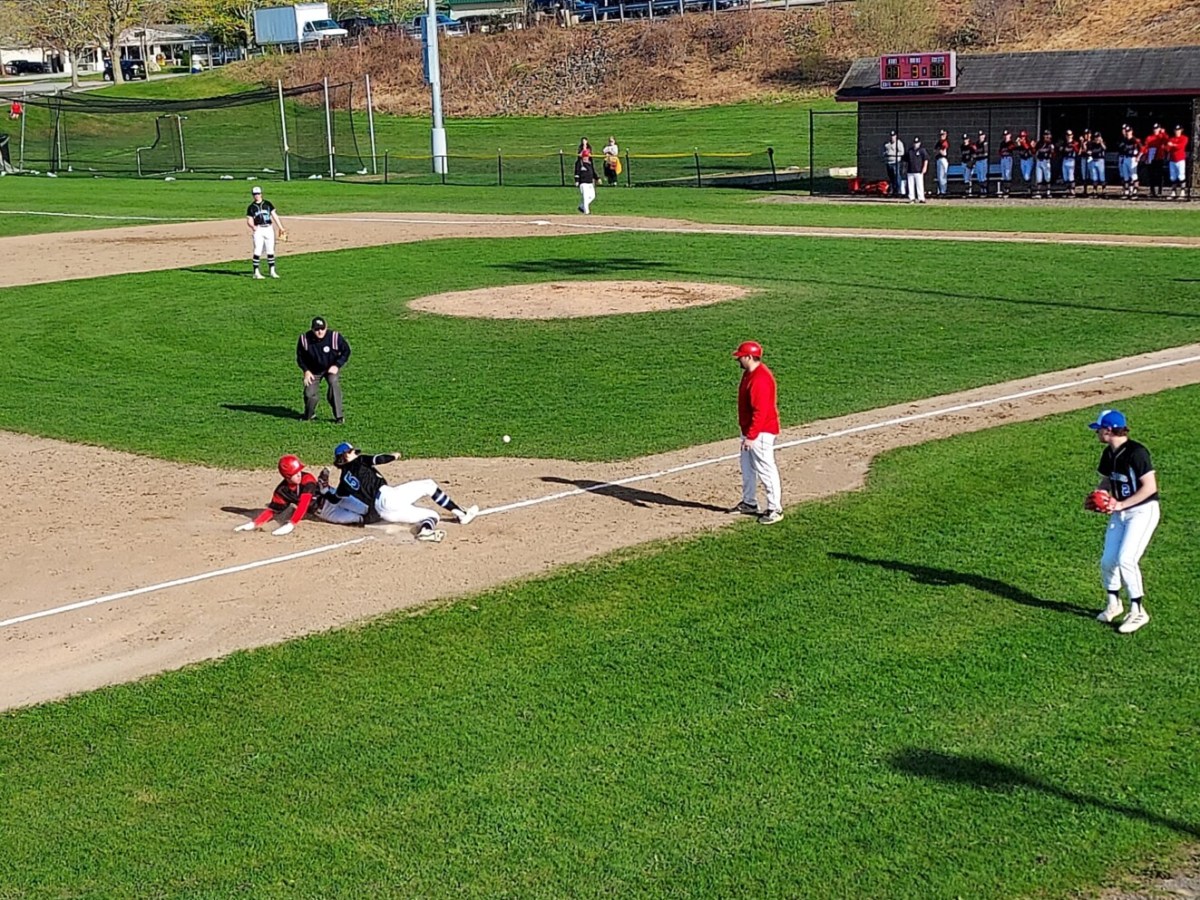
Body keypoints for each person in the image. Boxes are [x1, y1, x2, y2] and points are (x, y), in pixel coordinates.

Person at [1086, 409, 1160, 634]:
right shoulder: (1109, 453)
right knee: (1108, 560)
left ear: (1109, 430)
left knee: (1126, 559)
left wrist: (1120, 504)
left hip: (1142, 511)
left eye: (1099, 429)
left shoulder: (1137, 453)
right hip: (1121, 513)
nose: (1097, 432)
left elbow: (1150, 487)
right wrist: (1099, 495)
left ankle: (1138, 611)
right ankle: (1114, 604)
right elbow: (1108, 480)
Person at [327, 442, 479, 542]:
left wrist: (324, 490)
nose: (355, 452)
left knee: (432, 515)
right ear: (346, 455)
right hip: (388, 497)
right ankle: (462, 515)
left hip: (383, 512)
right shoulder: (359, 461)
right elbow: (378, 459)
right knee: (429, 485)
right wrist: (393, 456)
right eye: (352, 451)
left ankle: (425, 532)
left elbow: (334, 499)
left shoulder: (343, 482)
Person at [731, 340, 782, 525]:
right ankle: (749, 502)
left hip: (761, 432)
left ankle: (775, 509)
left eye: (740, 357)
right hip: (750, 431)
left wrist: (751, 436)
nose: (738, 360)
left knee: (765, 469)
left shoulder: (760, 379)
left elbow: (761, 412)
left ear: (749, 357)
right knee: (747, 468)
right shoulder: (749, 373)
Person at [233, 454, 339, 536]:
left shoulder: (307, 479)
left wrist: (292, 523)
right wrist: (254, 523)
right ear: (287, 477)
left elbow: (304, 504)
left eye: (299, 471)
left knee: (348, 500)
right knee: (347, 519)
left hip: (331, 496)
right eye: (295, 473)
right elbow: (272, 511)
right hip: (325, 511)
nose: (299, 475)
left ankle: (323, 483)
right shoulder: (282, 491)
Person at [297, 316, 350, 424]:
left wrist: (337, 365)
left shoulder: (334, 337)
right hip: (313, 370)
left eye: (322, 329)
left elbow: (346, 351)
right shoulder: (304, 339)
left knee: (334, 384)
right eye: (317, 329)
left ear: (326, 327)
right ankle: (309, 415)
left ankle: (339, 416)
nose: (320, 332)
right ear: (312, 329)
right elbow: (300, 357)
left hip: (330, 368)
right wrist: (306, 371)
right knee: (309, 394)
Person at [246, 185, 286, 279]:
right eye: (255, 194)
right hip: (259, 229)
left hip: (268, 228)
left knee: (270, 250)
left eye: (258, 193)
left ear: (261, 194)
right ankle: (256, 272)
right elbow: (249, 219)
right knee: (258, 250)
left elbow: (274, 215)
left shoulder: (267, 204)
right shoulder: (251, 207)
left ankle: (272, 271)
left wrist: (281, 227)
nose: (256, 195)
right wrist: (253, 227)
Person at [1117, 125, 1142, 200]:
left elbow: (1142, 149)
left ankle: (1135, 192)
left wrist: (1138, 157)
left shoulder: (1135, 140)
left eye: (1129, 131)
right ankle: (1127, 192)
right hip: (1125, 158)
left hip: (1132, 158)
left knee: (1134, 175)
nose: (1128, 133)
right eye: (1127, 131)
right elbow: (1120, 149)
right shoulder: (1124, 140)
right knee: (1126, 176)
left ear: (1132, 131)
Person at [574, 141, 598, 215]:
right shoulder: (580, 163)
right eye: (585, 156)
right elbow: (577, 172)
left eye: (587, 156)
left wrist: (597, 178)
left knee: (592, 196)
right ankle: (586, 212)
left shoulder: (589, 164)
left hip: (590, 183)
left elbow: (593, 172)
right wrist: (577, 181)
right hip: (583, 182)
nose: (586, 158)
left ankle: (581, 206)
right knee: (585, 197)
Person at [1165, 124, 1189, 200]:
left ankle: (1182, 192)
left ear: (1181, 131)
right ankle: (1173, 192)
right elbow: (1167, 148)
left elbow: (1181, 146)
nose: (1177, 132)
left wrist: (1173, 145)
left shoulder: (1184, 138)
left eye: (1178, 130)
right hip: (1172, 160)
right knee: (1173, 177)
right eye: (1176, 130)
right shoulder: (1172, 139)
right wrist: (1170, 146)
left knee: (1181, 176)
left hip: (1180, 159)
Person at [903, 136, 929, 203]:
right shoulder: (910, 151)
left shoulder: (922, 150)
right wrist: (904, 169)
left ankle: (921, 198)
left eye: (917, 143)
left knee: (920, 185)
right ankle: (911, 198)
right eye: (914, 143)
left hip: (919, 171)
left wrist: (924, 167)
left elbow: (926, 159)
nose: (915, 144)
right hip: (910, 171)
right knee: (910, 185)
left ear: (919, 143)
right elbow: (905, 160)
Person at [1145, 123, 1167, 197]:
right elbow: (1146, 147)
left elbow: (1166, 140)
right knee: (1151, 175)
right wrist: (1146, 157)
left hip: (1159, 158)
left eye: (1157, 129)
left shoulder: (1161, 136)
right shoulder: (1149, 137)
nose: (1155, 130)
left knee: (1159, 175)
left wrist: (1163, 133)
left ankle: (1159, 191)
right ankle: (1152, 191)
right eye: (1154, 129)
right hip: (1151, 158)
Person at [882, 130, 904, 197]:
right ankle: (892, 191)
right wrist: (886, 153)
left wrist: (893, 154)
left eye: (893, 136)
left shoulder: (899, 143)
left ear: (896, 136)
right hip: (888, 162)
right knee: (891, 177)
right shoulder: (887, 144)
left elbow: (902, 152)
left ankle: (898, 191)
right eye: (891, 136)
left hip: (896, 162)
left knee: (897, 176)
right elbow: (883, 152)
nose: (892, 137)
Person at [1034, 129, 1055, 199]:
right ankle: (1038, 192)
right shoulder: (1039, 143)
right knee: (1039, 177)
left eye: (1048, 135)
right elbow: (1035, 151)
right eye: (1045, 135)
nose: (1047, 136)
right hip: (1039, 161)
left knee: (1047, 177)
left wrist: (1052, 150)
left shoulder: (1050, 144)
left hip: (1046, 161)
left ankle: (1048, 192)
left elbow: (1053, 154)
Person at [1059, 129, 1080, 197]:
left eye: (1070, 135)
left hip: (1071, 160)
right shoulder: (1064, 144)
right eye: (1067, 135)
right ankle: (1067, 190)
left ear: (1072, 135)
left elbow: (1077, 151)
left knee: (1071, 176)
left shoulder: (1075, 143)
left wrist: (1073, 146)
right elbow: (1060, 150)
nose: (1068, 136)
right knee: (1065, 176)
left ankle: (1072, 191)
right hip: (1065, 160)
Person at [997, 129, 1017, 197]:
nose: (1006, 136)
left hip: (1008, 158)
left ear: (1010, 135)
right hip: (1003, 159)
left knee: (1007, 174)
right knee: (1003, 175)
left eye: (1007, 135)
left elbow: (1013, 147)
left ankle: (1007, 190)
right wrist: (1001, 152)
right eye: (1005, 135)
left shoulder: (1011, 142)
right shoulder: (1002, 143)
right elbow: (1000, 151)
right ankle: (1004, 190)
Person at [1087, 130, 1107, 196]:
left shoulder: (1102, 143)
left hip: (1100, 160)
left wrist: (1101, 142)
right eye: (1095, 137)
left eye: (1098, 137)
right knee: (1094, 176)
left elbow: (1104, 148)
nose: (1096, 138)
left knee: (1102, 176)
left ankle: (1103, 191)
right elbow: (1089, 151)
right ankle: (1095, 191)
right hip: (1093, 160)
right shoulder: (1092, 144)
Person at [1017, 129, 1036, 196]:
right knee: (1024, 175)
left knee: (1027, 176)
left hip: (1029, 159)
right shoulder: (1020, 142)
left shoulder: (1029, 142)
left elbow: (1029, 148)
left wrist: (1023, 143)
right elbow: (1015, 148)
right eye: (1021, 136)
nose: (1022, 138)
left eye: (1023, 136)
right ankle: (1028, 189)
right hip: (1022, 160)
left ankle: (1030, 189)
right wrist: (1018, 144)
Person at [972, 130, 990, 197]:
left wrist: (976, 155)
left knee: (983, 176)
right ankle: (981, 190)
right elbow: (974, 152)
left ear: (984, 136)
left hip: (983, 161)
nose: (980, 137)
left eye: (982, 136)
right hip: (978, 161)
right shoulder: (977, 143)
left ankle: (984, 191)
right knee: (979, 176)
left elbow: (985, 154)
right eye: (979, 136)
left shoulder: (985, 143)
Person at [934, 129, 950, 197]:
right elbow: (935, 151)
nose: (941, 136)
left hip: (943, 159)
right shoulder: (938, 142)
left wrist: (938, 151)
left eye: (943, 135)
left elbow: (943, 153)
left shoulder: (945, 142)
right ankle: (941, 191)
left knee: (942, 176)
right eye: (941, 135)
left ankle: (943, 191)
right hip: (938, 159)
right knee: (939, 176)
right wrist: (938, 151)